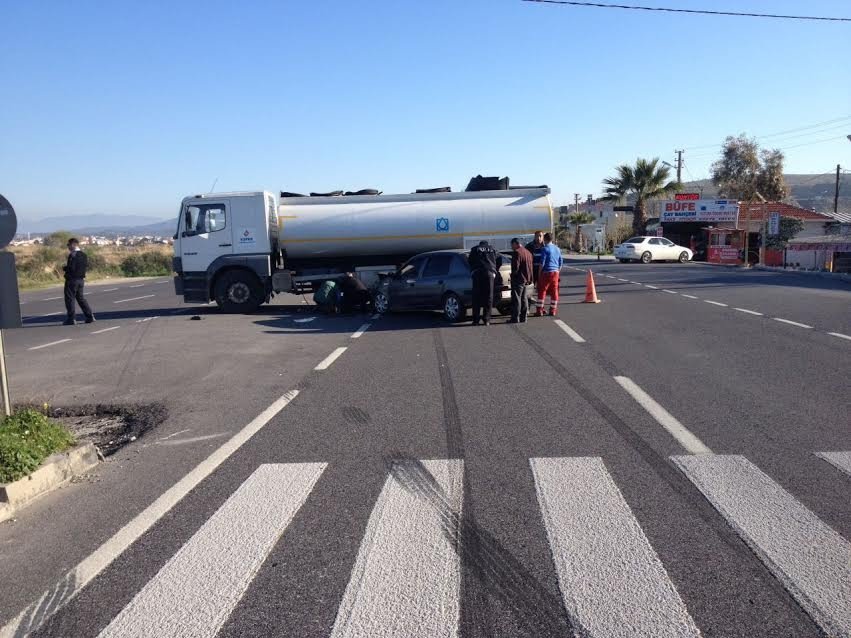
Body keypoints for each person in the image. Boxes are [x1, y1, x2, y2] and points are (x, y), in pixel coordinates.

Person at [63, 238, 95, 325]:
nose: (68, 247)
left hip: (72, 280)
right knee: (81, 298)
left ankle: (71, 318)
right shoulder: (84, 255)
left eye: (68, 245)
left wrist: (66, 269)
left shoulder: (73, 255)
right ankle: (90, 316)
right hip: (81, 280)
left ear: (73, 245)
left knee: (70, 299)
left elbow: (72, 268)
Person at [468, 240, 498, 326]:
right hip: (489, 274)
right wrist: (494, 271)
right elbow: (499, 259)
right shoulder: (492, 249)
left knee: (476, 297)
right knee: (489, 297)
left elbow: (470, 261)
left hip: (477, 273)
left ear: (480, 244)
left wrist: (472, 271)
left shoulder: (475, 249)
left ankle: (476, 320)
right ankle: (487, 320)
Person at [535, 232, 562, 317]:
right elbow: (560, 262)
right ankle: (553, 310)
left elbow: (542, 263)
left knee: (542, 291)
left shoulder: (545, 249)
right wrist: (557, 271)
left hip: (546, 272)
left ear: (545, 239)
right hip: (555, 272)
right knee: (554, 292)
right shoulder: (557, 249)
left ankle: (539, 310)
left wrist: (539, 274)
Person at [509, 238, 533, 323]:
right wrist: (530, 279)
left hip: (518, 279)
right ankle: (524, 317)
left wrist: (512, 276)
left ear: (515, 243)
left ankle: (515, 318)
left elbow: (515, 267)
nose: (512, 247)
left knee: (517, 298)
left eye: (512, 245)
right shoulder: (528, 252)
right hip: (526, 279)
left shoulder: (517, 252)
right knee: (524, 298)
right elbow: (530, 267)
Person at [525, 230, 544, 313]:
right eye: (537, 236)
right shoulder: (529, 246)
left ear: (543, 237)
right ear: (534, 237)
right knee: (529, 290)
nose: (539, 238)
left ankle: (540, 309)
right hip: (531, 271)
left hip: (542, 272)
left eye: (540, 236)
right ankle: (527, 309)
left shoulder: (545, 247)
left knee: (541, 291)